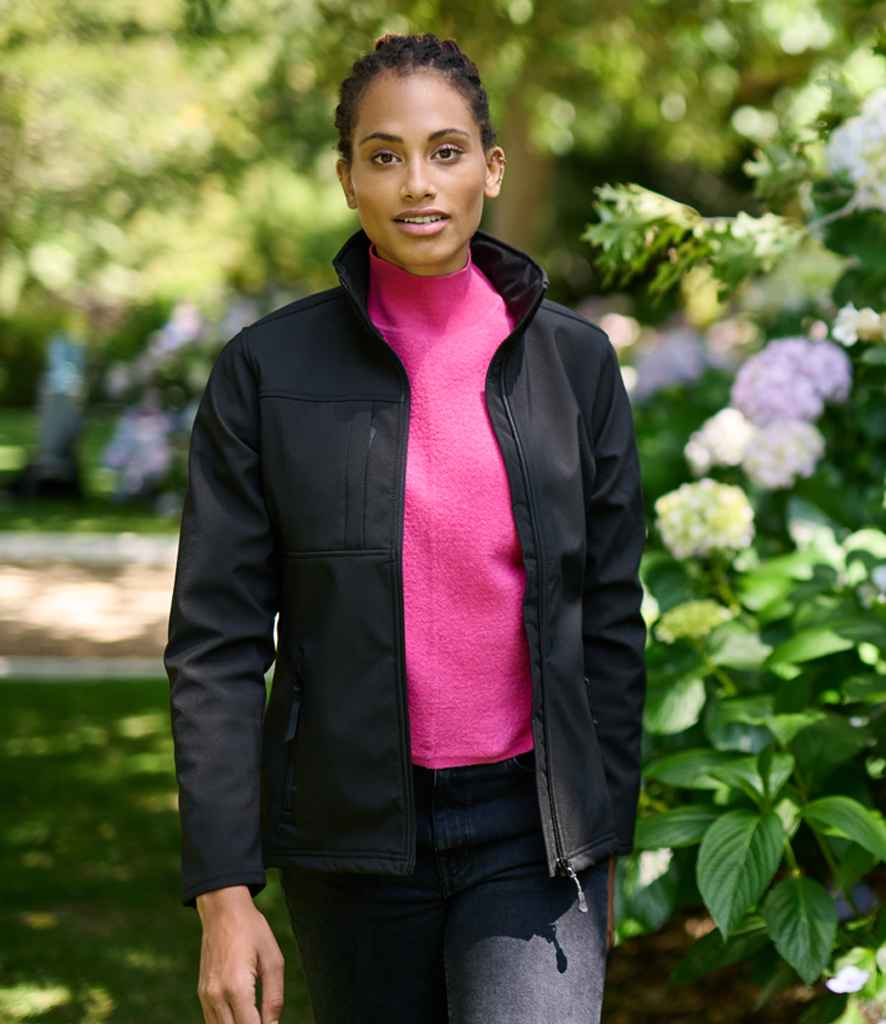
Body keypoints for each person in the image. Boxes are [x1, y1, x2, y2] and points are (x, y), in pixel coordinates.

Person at [164, 31, 647, 1024]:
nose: (417, 182)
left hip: (532, 834)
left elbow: (607, 622)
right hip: (350, 840)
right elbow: (215, 646)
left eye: (445, 151)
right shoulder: (264, 373)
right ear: (347, 178)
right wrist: (223, 890)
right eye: (383, 155)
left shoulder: (576, 365)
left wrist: (605, 841)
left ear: (491, 168)